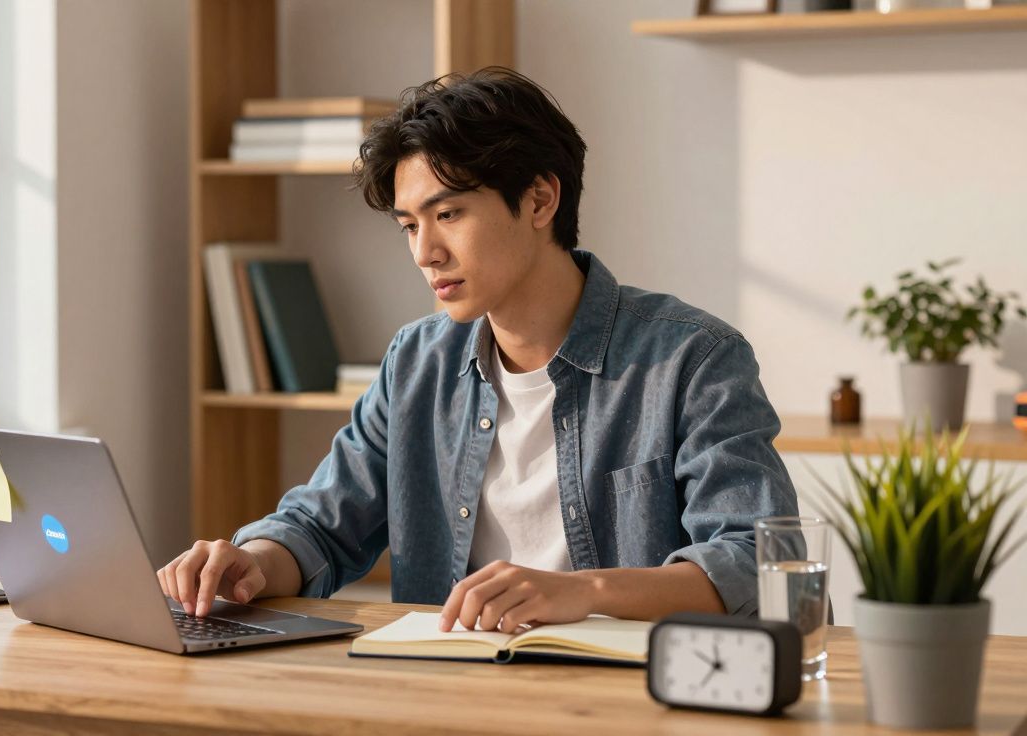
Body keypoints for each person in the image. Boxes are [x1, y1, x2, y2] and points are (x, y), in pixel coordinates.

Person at [158, 67, 798, 634]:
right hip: (446, 692)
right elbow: (323, 526)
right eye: (410, 225)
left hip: (626, 699)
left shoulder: (692, 358)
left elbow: (758, 560)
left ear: (541, 199)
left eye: (450, 214)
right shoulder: (417, 361)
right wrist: (250, 564)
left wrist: (581, 593)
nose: (423, 252)